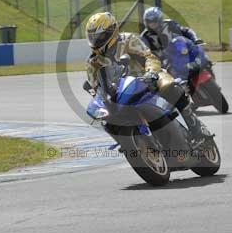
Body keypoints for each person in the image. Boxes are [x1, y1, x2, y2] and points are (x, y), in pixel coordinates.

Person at [85, 11, 211, 149]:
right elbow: (97, 87)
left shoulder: (127, 40)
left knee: (170, 86)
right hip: (121, 94)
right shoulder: (93, 62)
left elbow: (148, 57)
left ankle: (194, 127)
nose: (96, 41)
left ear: (112, 31)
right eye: (93, 37)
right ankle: (126, 141)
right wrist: (99, 99)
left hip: (146, 79)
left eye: (100, 36)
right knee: (106, 119)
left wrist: (151, 73)